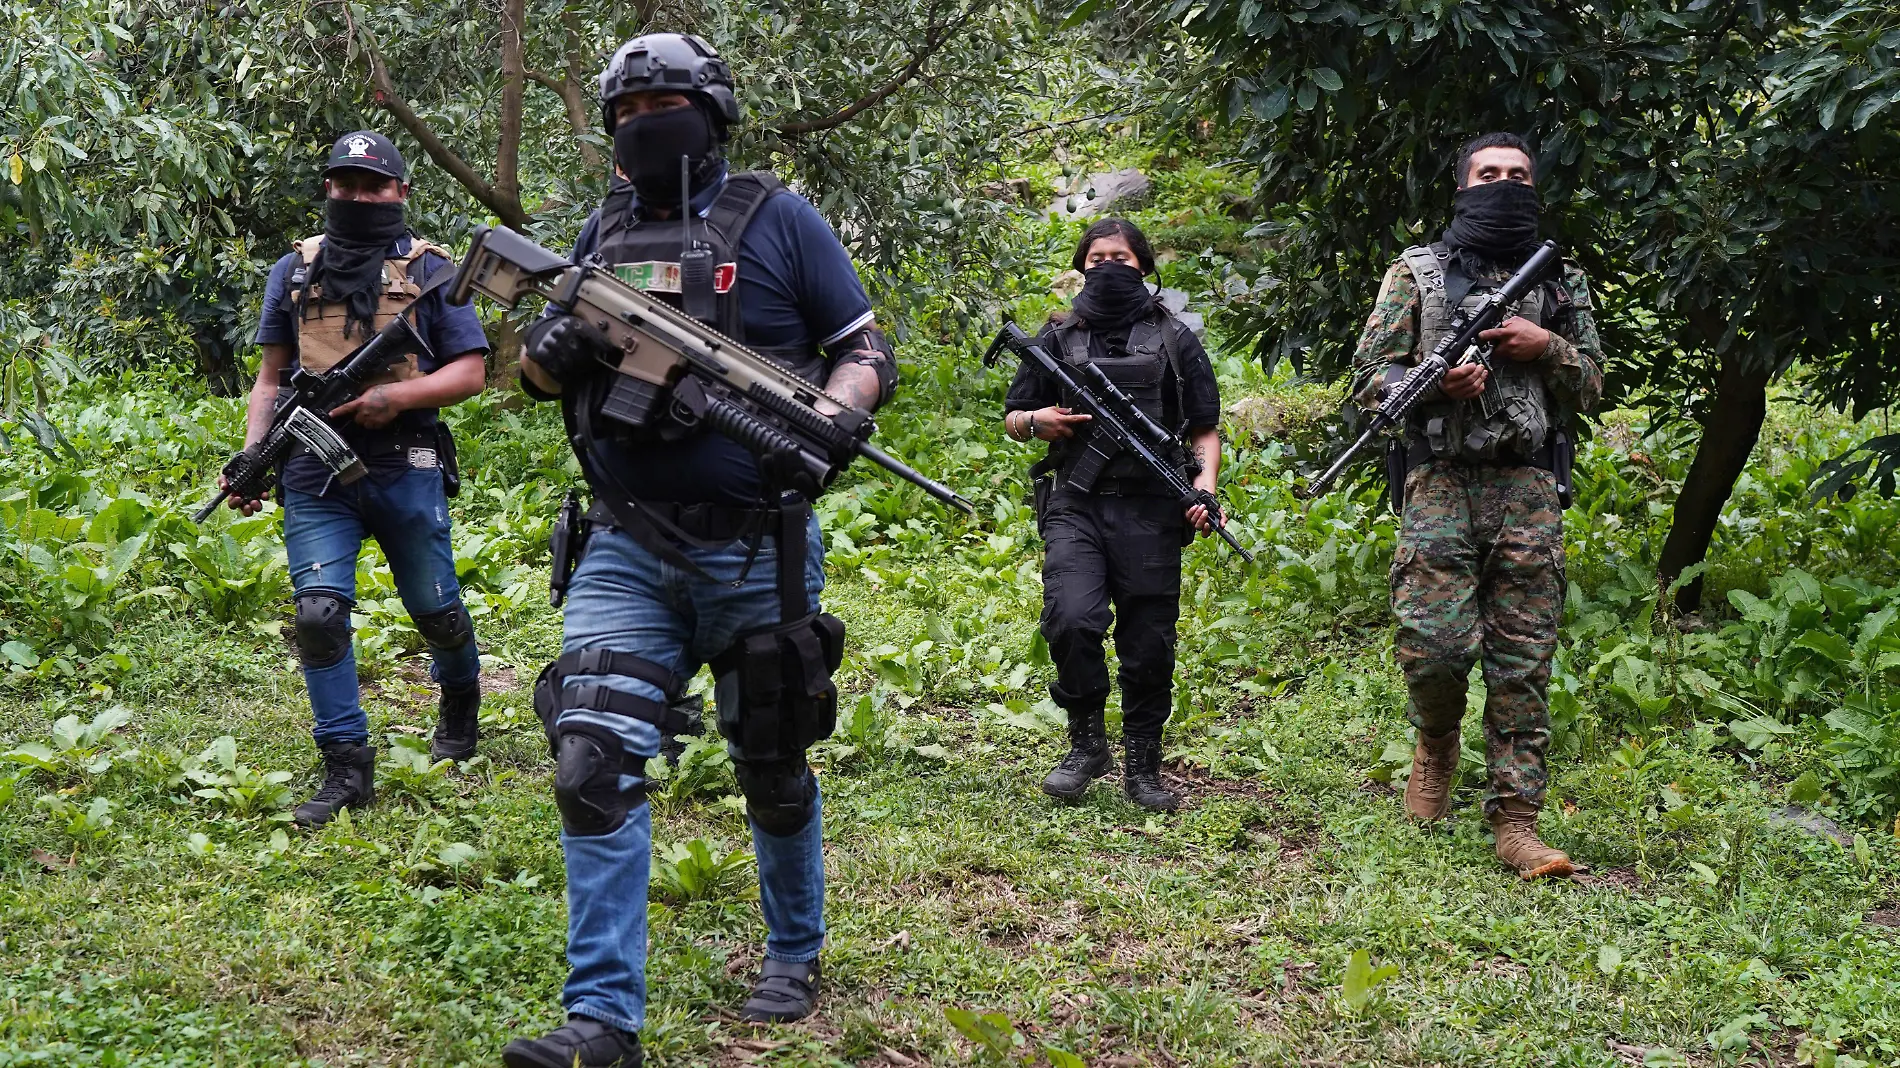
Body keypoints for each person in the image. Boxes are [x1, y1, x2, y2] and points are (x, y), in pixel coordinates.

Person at [500, 33, 899, 1068]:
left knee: (770, 756)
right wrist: (546, 358)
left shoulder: (780, 220)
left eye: (667, 102)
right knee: (590, 757)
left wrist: (837, 415)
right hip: (624, 545)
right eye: (628, 111)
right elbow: (537, 385)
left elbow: (863, 349)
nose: (648, 122)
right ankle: (602, 1024)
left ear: (714, 112)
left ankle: (794, 950)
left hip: (757, 547)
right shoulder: (600, 229)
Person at [1349, 132, 1603, 879]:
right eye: (1488, 174)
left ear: (1534, 188)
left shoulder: (1560, 283)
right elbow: (1368, 379)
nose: (1503, 184)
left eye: (1517, 175)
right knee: (1434, 647)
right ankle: (1435, 742)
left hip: (1526, 483)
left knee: (1523, 658)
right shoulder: (1417, 275)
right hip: (1441, 482)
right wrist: (1431, 385)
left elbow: (1593, 382)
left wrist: (1544, 345)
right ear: (1462, 188)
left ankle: (1517, 821)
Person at [230, 130, 488, 829]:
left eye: (372, 186)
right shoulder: (292, 272)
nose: (357, 197)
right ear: (328, 191)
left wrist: (393, 399)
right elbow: (270, 378)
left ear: (400, 192)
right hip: (314, 467)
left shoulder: (434, 272)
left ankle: (460, 693)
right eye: (344, 185)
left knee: (435, 610)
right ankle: (346, 764)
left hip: (406, 460)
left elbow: (470, 371)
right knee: (317, 615)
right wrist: (254, 455)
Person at [1002, 218, 1224, 813]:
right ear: (1081, 266)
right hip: (1076, 502)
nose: (1108, 268)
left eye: (1121, 258)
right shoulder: (1056, 337)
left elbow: (1204, 428)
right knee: (1072, 619)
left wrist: (1202, 491)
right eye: (1097, 258)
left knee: (1148, 645)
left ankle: (1144, 764)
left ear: (1144, 267)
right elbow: (1014, 414)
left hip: (1153, 508)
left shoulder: (1177, 337)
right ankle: (1087, 744)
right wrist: (1036, 422)